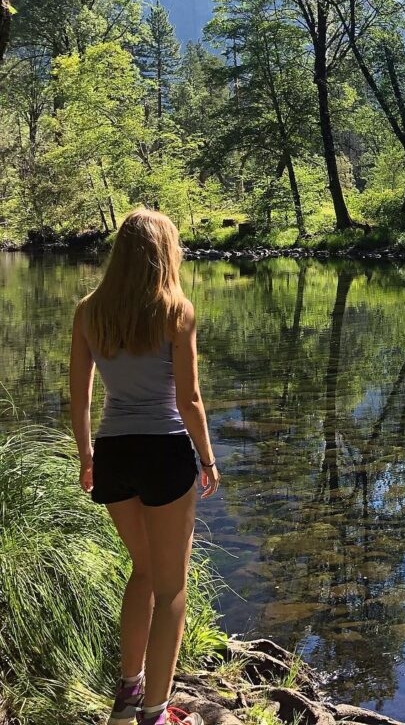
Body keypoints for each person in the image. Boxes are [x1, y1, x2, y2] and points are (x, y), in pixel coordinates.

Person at [69, 209, 221, 725]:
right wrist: (207, 458)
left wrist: (87, 454)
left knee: (143, 569)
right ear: (165, 253)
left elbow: (79, 397)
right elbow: (190, 399)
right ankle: (154, 712)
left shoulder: (89, 311)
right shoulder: (176, 310)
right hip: (164, 452)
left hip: (114, 451)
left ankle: (127, 693)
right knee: (170, 586)